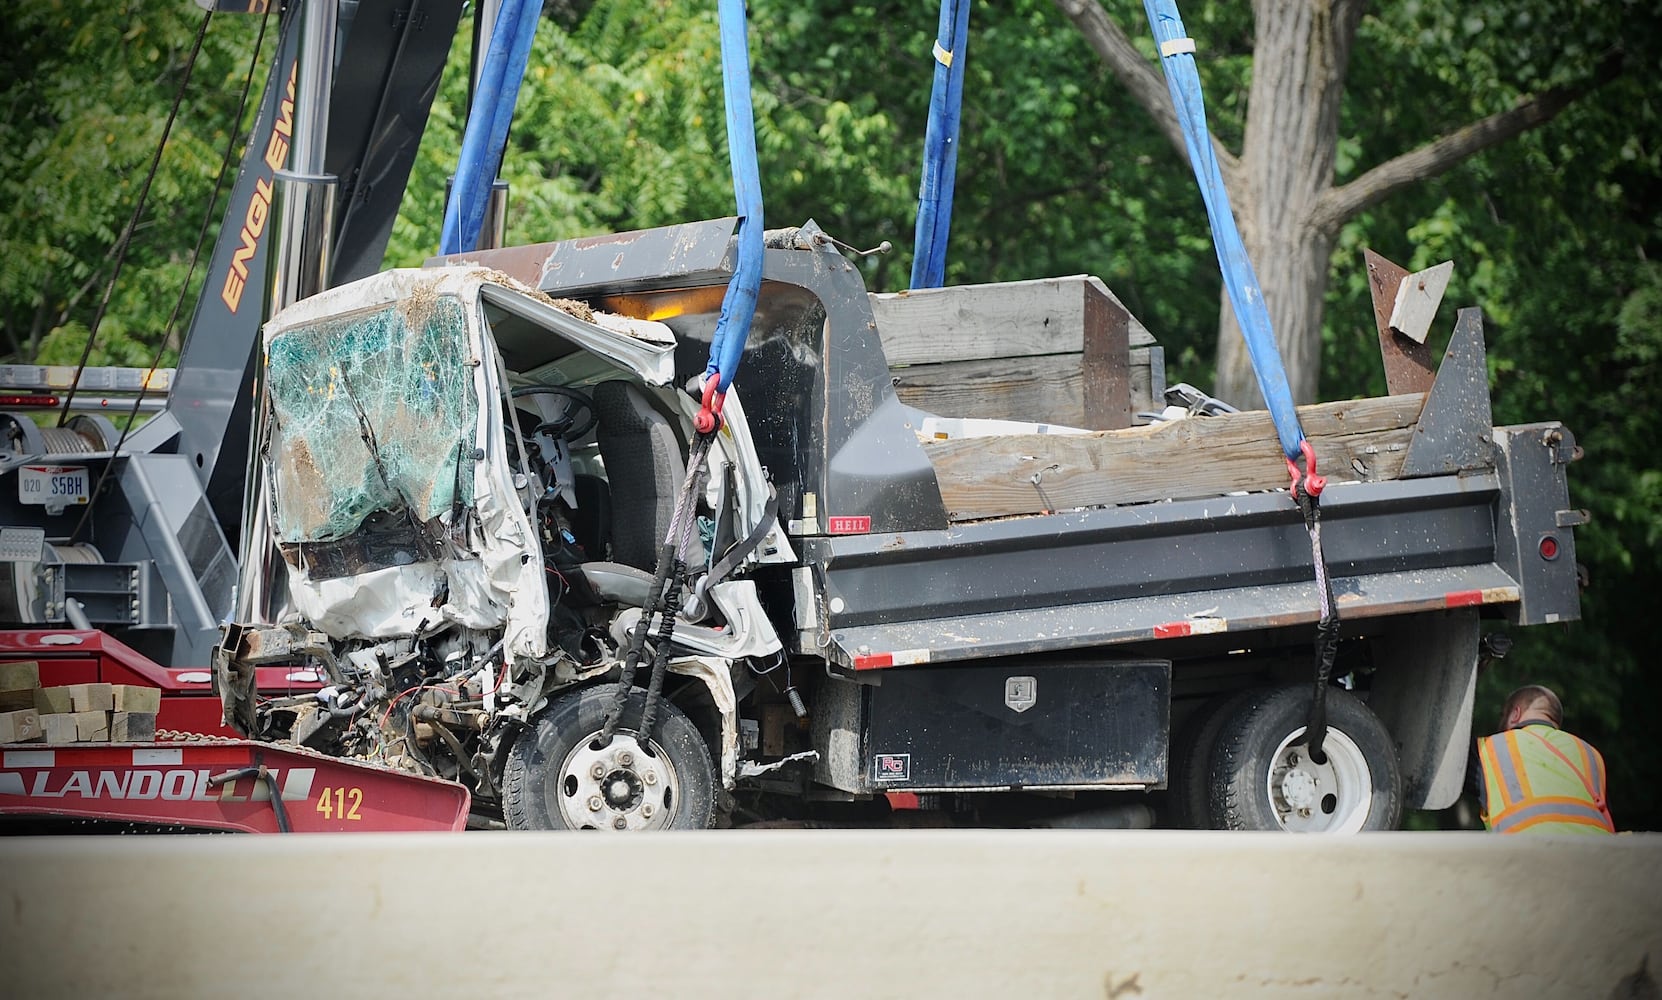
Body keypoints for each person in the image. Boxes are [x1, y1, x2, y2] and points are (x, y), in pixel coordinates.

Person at [1474, 684, 1614, 835]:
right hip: (1598, 853)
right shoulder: (1589, 753)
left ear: (1515, 714)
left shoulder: (1495, 747)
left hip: (1529, 852)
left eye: (1503, 715)